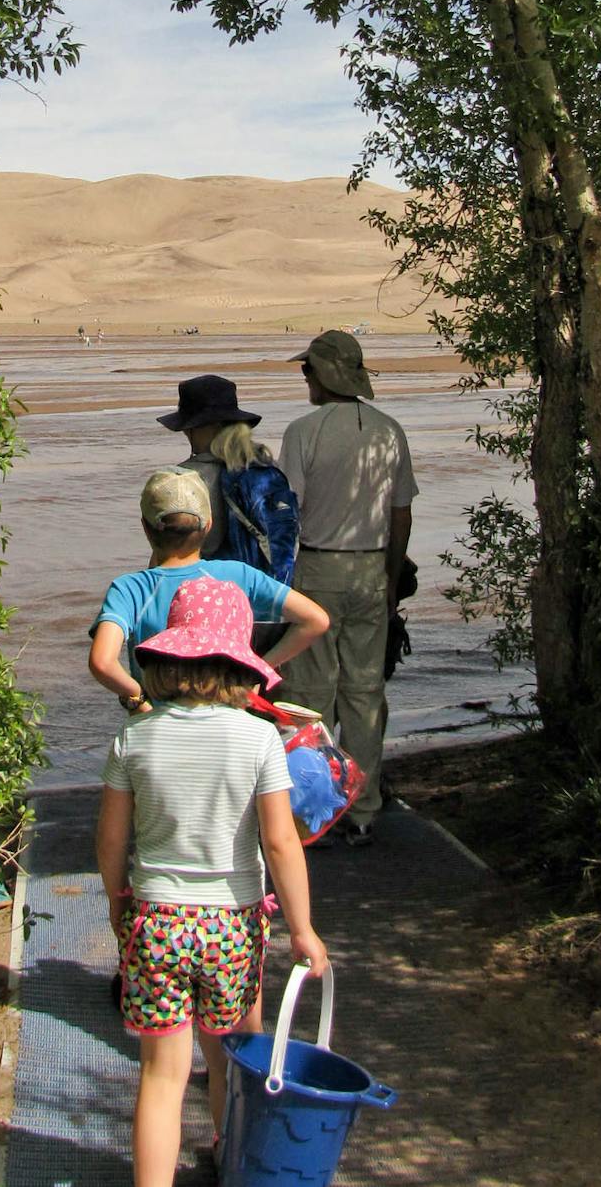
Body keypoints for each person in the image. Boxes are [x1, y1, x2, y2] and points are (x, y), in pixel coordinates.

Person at [97, 575, 329, 1186]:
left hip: (155, 922)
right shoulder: (259, 739)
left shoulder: (134, 738)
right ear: (241, 662)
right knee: (233, 1056)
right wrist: (303, 929)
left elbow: (111, 842)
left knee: (160, 1076)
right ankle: (233, 1159)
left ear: (169, 658)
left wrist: (117, 902)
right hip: (232, 923)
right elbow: (279, 842)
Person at [276, 330, 417, 847]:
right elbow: (401, 514)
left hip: (317, 570)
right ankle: (363, 808)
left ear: (323, 375)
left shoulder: (303, 431)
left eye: (307, 370)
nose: (304, 378)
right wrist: (390, 576)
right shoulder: (389, 430)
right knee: (364, 693)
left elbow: (287, 513)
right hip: (371, 570)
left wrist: (278, 581)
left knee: (308, 694)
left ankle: (312, 812)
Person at [88, 469, 327, 707]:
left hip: (156, 723)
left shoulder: (130, 589)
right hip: (226, 722)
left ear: (145, 527)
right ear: (209, 525)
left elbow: (102, 662)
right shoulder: (238, 575)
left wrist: (138, 699)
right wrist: (260, 669)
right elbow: (316, 620)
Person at [157, 374, 298, 580]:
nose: (186, 434)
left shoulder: (186, 477)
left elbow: (172, 553)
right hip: (267, 591)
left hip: (212, 596)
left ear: (209, 426)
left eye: (190, 428)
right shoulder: (265, 468)